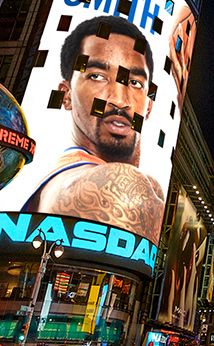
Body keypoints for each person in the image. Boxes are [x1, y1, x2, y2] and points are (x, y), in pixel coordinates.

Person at [22, 15, 162, 243]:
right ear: (66, 95)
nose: (119, 100)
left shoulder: (142, 183)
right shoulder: (119, 183)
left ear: (148, 107)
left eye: (135, 82)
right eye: (98, 76)